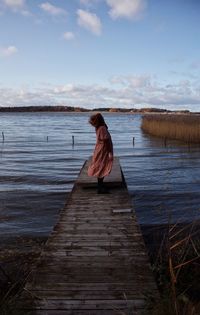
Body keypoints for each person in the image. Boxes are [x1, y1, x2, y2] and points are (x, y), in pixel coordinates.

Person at [88, 113, 113, 194]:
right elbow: (106, 140)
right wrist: (109, 152)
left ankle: (100, 186)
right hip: (103, 150)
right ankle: (100, 188)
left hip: (100, 149)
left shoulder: (99, 127)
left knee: (100, 166)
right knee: (102, 167)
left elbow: (104, 138)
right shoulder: (102, 128)